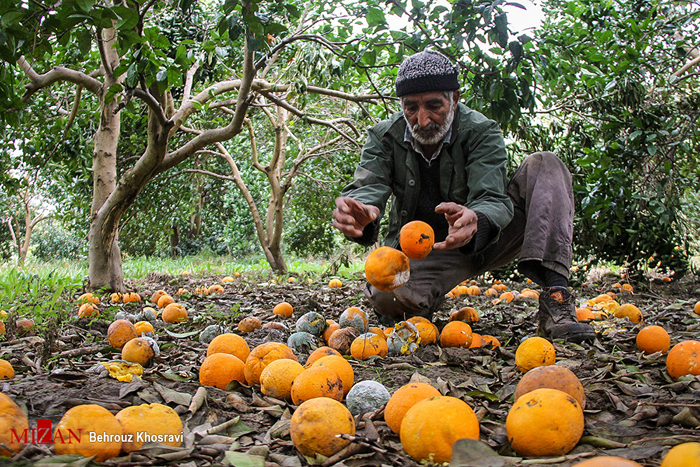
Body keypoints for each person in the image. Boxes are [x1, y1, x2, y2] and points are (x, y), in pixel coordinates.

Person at [332, 49, 595, 344]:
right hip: (429, 251)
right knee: (388, 300)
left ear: (455, 98)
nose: (422, 119)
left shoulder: (481, 130)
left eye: (434, 105)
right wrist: (361, 213)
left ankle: (557, 300)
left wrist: (477, 218)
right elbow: (368, 186)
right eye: (410, 108)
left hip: (492, 235)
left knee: (545, 163)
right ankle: (424, 298)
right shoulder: (384, 137)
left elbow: (492, 196)